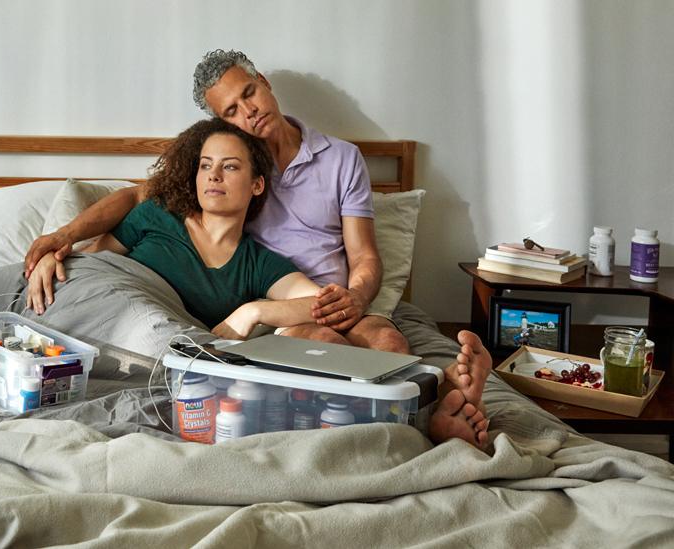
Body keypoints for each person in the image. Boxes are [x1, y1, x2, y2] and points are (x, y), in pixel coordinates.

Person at [28, 118, 491, 448]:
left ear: (256, 186)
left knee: (358, 336)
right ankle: (428, 404)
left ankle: (435, 398)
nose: (213, 175)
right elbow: (97, 271)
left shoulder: (257, 263)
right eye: (206, 164)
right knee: (324, 340)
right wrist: (55, 251)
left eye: (229, 166)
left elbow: (319, 301)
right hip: (136, 332)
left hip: (209, 343)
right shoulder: (157, 217)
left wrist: (254, 311)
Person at [25, 49, 407, 354]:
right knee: (326, 347)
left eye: (249, 93)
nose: (250, 111)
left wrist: (355, 298)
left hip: (331, 298)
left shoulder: (341, 158)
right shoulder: (231, 170)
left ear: (263, 82)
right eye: (231, 111)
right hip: (268, 301)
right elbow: (132, 197)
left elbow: (365, 256)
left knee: (389, 343)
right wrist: (62, 239)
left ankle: (437, 410)